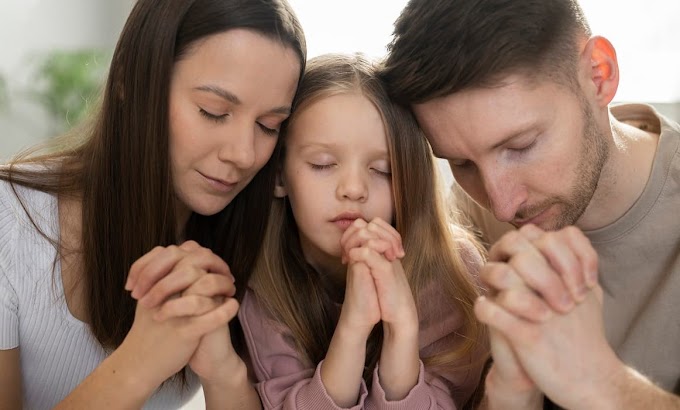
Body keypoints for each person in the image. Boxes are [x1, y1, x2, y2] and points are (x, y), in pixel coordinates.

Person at [0, 0, 305, 408]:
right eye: (213, 112)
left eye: (269, 126)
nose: (244, 155)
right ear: (129, 79)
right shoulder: (10, 221)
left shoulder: (257, 246)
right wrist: (138, 365)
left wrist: (227, 374)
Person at [380, 0, 680, 408]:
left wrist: (601, 382)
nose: (502, 208)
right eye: (461, 164)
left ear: (598, 76)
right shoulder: (470, 220)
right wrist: (509, 393)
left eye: (521, 146)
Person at [233, 52, 488, 410]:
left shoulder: (452, 271)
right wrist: (352, 329)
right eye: (323, 164)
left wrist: (402, 330)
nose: (354, 189)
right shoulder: (262, 284)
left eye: (382, 170)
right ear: (279, 175)